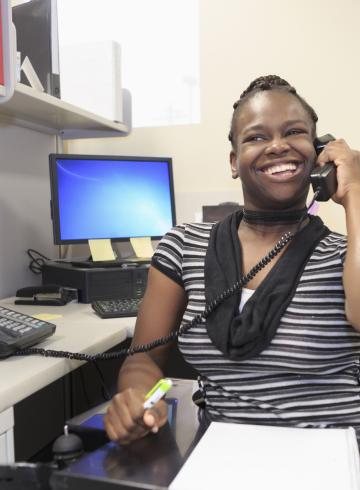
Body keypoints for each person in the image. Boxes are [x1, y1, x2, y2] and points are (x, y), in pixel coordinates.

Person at [104, 75, 360, 445]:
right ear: (234, 161)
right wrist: (138, 400)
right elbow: (143, 359)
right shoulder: (183, 246)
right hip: (221, 456)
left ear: (320, 153)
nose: (278, 146)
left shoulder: (343, 255)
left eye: (294, 132)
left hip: (331, 457)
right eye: (256, 137)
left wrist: (354, 191)